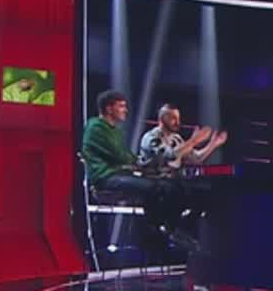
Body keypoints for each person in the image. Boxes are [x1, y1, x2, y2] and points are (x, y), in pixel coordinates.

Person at [81, 90, 205, 247]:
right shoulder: (96, 127)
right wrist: (193, 141)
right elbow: (121, 156)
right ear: (109, 109)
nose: (125, 110)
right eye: (121, 106)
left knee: (171, 187)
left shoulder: (114, 130)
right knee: (157, 187)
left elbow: (127, 157)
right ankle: (163, 230)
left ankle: (164, 230)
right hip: (106, 178)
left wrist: (140, 165)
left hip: (121, 174)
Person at [138, 104, 228, 178]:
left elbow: (196, 158)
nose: (178, 123)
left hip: (170, 184)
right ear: (163, 119)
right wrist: (194, 140)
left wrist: (213, 143)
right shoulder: (150, 137)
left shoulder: (177, 139)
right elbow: (170, 155)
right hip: (151, 182)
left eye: (178, 118)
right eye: (173, 118)